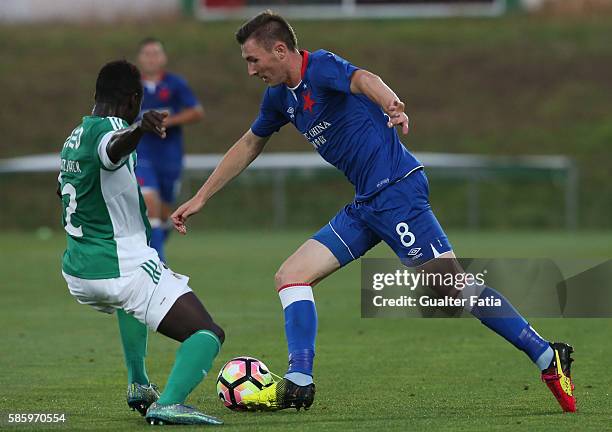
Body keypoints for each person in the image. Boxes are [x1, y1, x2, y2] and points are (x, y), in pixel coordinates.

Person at [171, 11, 576, 413]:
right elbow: (248, 143)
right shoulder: (279, 97)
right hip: (366, 203)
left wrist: (392, 103)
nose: (250, 70)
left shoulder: (321, 66)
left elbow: (364, 79)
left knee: (451, 288)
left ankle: (545, 354)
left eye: (252, 60)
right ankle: (299, 381)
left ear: (280, 50)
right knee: (291, 277)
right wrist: (203, 196)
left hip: (396, 190)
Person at [58, 60, 223, 425]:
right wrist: (138, 129)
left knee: (128, 302)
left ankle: (139, 384)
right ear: (133, 100)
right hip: (121, 264)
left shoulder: (75, 135)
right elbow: (113, 148)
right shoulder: (113, 128)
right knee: (207, 333)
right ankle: (169, 403)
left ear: (95, 95)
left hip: (79, 270)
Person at [136, 37, 204, 262]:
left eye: (156, 53)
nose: (152, 58)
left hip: (170, 157)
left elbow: (196, 112)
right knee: (150, 205)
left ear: (163, 57)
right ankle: (158, 267)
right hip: (142, 154)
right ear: (140, 58)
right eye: (147, 53)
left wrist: (167, 122)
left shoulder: (175, 84)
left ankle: (151, 250)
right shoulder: (133, 86)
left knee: (165, 213)